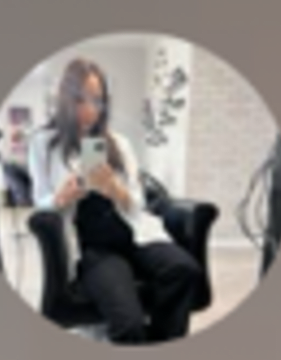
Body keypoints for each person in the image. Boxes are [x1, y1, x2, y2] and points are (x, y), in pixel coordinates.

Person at [22, 58, 207, 340]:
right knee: (128, 323)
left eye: (97, 100)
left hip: (133, 233)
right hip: (95, 246)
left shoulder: (118, 143)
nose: (89, 110)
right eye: (81, 99)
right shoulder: (44, 143)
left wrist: (114, 188)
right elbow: (40, 202)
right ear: (65, 98)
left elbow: (138, 203)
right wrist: (60, 197)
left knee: (185, 270)